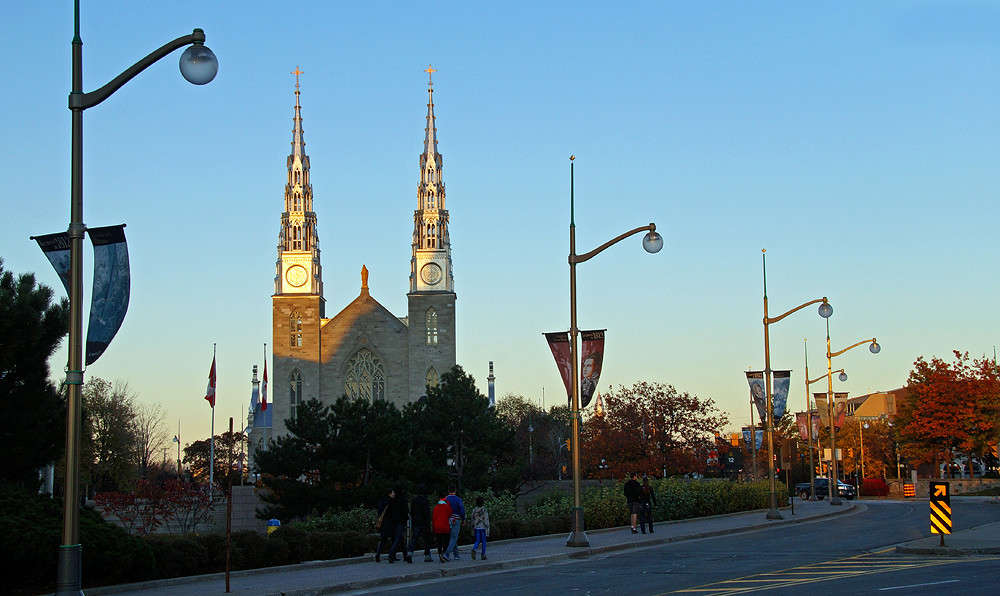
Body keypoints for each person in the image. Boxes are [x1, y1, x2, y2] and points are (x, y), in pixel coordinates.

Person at [375, 488, 409, 563]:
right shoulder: (391, 501)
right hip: (392, 523)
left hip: (384, 523)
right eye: (393, 492)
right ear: (389, 493)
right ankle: (394, 555)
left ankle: (378, 554)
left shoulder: (383, 500)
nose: (394, 494)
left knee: (384, 539)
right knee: (398, 538)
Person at [408, 486, 433, 562]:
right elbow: (427, 513)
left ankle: (410, 552)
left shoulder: (414, 500)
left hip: (416, 522)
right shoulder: (425, 501)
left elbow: (411, 511)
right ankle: (427, 555)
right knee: (426, 539)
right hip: (424, 522)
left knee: (414, 538)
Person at [444, 485, 465, 560]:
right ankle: (446, 554)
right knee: (454, 537)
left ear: (448, 490)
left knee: (452, 537)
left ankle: (456, 555)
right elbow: (462, 510)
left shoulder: (445, 499)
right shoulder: (458, 499)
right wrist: (463, 519)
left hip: (447, 519)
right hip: (456, 519)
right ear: (455, 491)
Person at [432, 492, 453, 562]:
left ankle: (440, 554)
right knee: (446, 542)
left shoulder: (436, 507)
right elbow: (450, 515)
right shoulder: (447, 506)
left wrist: (434, 527)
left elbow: (434, 518)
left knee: (439, 542)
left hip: (437, 527)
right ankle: (444, 554)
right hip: (445, 526)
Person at [470, 496, 490, 560]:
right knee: (484, 541)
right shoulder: (484, 510)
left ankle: (474, 548)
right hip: (483, 527)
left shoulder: (474, 510)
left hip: (476, 527)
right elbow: (486, 519)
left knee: (477, 540)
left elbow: (472, 519)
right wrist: (487, 526)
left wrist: (472, 526)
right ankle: (483, 554)